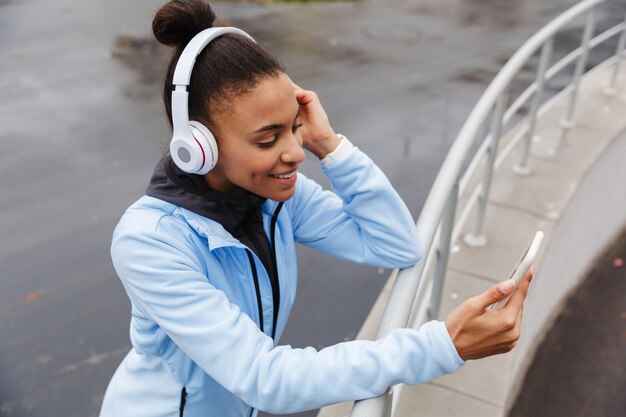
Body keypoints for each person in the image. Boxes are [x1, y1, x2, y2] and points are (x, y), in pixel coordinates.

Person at [99, 1, 533, 416]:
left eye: (294, 127)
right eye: (268, 140)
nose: (294, 153)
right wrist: (443, 345)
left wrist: (330, 144)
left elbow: (396, 245)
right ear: (199, 148)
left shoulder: (275, 197)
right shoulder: (151, 243)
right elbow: (263, 377)